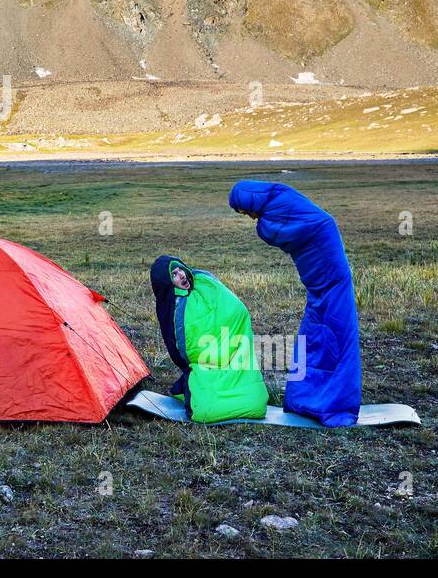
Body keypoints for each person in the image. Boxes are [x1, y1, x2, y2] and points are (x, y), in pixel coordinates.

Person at [228, 181, 362, 427]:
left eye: (246, 210)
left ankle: (333, 402)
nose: (249, 216)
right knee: (315, 332)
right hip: (318, 283)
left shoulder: (276, 210)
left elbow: (278, 233)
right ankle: (307, 398)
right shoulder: (279, 198)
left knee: (337, 332)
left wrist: (263, 227)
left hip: (330, 277)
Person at [149, 255, 268, 422]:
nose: (182, 275)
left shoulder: (205, 286)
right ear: (167, 284)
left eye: (180, 269)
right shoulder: (175, 309)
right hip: (206, 364)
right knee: (209, 408)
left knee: (210, 408)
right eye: (174, 275)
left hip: (235, 357)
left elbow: (237, 311)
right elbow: (188, 350)